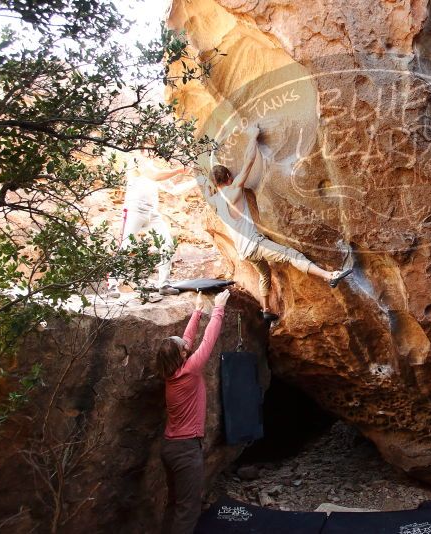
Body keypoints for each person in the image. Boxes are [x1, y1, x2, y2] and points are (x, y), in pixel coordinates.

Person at [200, 126, 352, 321]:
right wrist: (253, 137)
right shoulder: (234, 190)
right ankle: (329, 276)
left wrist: (204, 181)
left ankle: (265, 309)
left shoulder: (215, 202)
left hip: (243, 252)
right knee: (291, 255)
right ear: (229, 177)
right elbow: (248, 161)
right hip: (255, 245)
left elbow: (207, 194)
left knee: (264, 274)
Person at [157, 288, 231, 534]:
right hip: (185, 449)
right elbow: (207, 342)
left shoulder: (172, 371)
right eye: (183, 346)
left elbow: (186, 341)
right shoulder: (189, 372)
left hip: (170, 446)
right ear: (182, 355)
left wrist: (197, 311)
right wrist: (218, 309)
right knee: (188, 509)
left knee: (175, 503)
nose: (185, 342)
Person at [108, 152, 194, 299]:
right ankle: (113, 284)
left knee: (167, 243)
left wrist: (198, 180)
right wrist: (180, 169)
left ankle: (164, 284)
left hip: (152, 213)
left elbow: (174, 190)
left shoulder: (153, 168)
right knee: (126, 245)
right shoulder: (136, 159)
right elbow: (154, 175)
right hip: (134, 210)